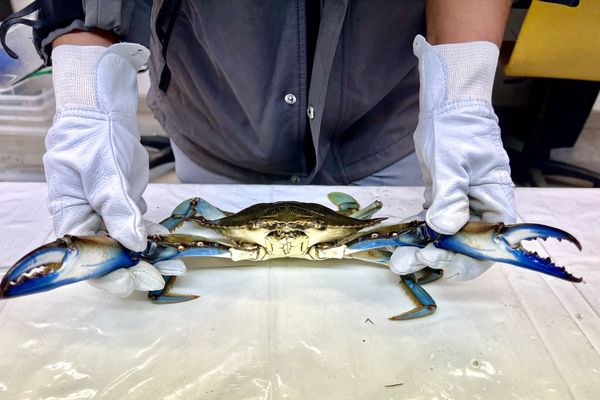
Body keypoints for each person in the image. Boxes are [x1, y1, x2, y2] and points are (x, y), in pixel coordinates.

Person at [1, 0, 515, 296]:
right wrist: (87, 97)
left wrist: (461, 100)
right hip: (217, 103)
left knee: (434, 237)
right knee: (139, 250)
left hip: (384, 112)